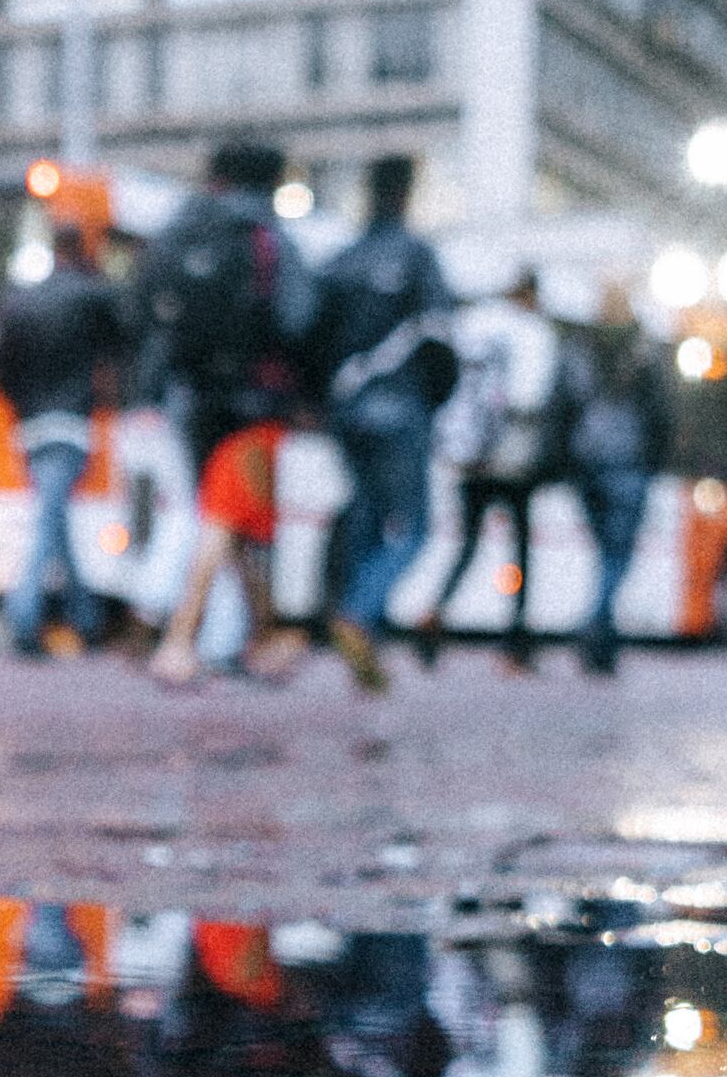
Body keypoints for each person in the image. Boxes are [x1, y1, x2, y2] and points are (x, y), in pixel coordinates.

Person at [138, 137, 313, 684]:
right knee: (228, 516)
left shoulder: (178, 227)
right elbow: (296, 319)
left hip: (192, 396)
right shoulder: (268, 234)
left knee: (226, 512)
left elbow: (142, 307)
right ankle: (179, 639)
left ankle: (259, 637)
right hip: (254, 398)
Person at [302, 152, 452, 689]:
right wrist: (432, 405)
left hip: (347, 409)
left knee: (363, 512)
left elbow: (311, 338)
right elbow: (441, 342)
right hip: (401, 407)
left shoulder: (341, 260)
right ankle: (359, 615)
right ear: (408, 194)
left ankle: (361, 629)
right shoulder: (418, 258)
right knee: (414, 528)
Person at [0, 203, 134, 659]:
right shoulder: (92, 295)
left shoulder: (20, 301)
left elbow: (0, 368)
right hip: (71, 419)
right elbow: (124, 341)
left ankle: (83, 616)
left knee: (55, 515)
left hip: (31, 422)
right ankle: (25, 614)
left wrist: (20, 405)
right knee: (50, 519)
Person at [425, 269, 561, 665]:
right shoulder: (534, 332)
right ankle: (516, 642)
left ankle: (435, 613)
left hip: (469, 453)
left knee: (467, 545)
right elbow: (531, 397)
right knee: (519, 550)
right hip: (512, 456)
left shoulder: (475, 321)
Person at [553, 288, 671, 678]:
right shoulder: (645, 349)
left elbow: (561, 403)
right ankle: (594, 624)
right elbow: (661, 411)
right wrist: (656, 459)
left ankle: (603, 644)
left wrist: (563, 459)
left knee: (605, 554)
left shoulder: (577, 347)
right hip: (629, 461)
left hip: (586, 459)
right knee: (618, 557)